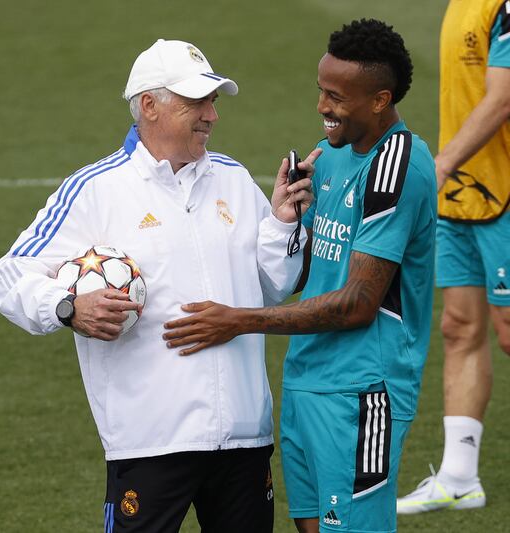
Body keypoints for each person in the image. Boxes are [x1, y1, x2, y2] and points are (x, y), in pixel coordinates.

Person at [0, 38, 316, 532]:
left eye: (213, 101)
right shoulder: (94, 189)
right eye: (197, 102)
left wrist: (282, 224)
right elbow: (10, 273)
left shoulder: (233, 180)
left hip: (245, 438)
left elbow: (273, 287)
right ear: (149, 105)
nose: (211, 114)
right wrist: (67, 307)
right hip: (150, 442)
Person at [163, 20, 436, 533]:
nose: (322, 107)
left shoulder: (397, 168)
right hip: (305, 381)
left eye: (336, 96)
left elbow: (358, 302)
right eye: (321, 90)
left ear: (379, 100)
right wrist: (286, 219)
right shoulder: (327, 156)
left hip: (361, 393)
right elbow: (304, 273)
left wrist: (239, 321)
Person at [396, 0, 510, 514]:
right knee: (460, 327)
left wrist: (442, 162)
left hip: (502, 191)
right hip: (465, 195)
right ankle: (459, 476)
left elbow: (504, 99)